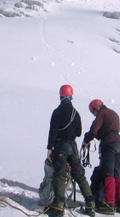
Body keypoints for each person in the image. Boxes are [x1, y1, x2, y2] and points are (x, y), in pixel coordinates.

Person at [45, 84, 95, 217]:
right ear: (71, 96)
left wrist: (50, 148)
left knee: (60, 174)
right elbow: (78, 133)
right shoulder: (76, 113)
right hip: (73, 146)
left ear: (61, 96)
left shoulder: (57, 112)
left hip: (61, 145)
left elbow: (53, 131)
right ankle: (90, 204)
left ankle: (58, 206)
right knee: (79, 175)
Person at [83, 99, 120, 215]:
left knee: (108, 174)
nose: (94, 114)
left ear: (96, 108)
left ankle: (109, 203)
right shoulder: (114, 113)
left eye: (93, 112)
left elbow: (94, 129)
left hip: (108, 144)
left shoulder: (102, 113)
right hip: (118, 143)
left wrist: (87, 139)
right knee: (118, 174)